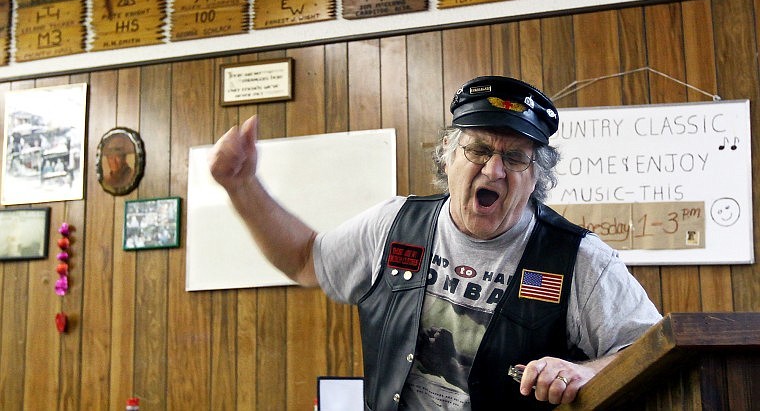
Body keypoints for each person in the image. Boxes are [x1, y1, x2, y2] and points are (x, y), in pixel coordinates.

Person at [208, 75, 662, 410]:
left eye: (515, 157)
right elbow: (305, 259)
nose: (494, 170)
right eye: (478, 150)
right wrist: (241, 186)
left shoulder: (580, 259)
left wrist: (583, 371)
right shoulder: (394, 223)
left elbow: (648, 349)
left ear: (538, 175)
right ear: (447, 156)